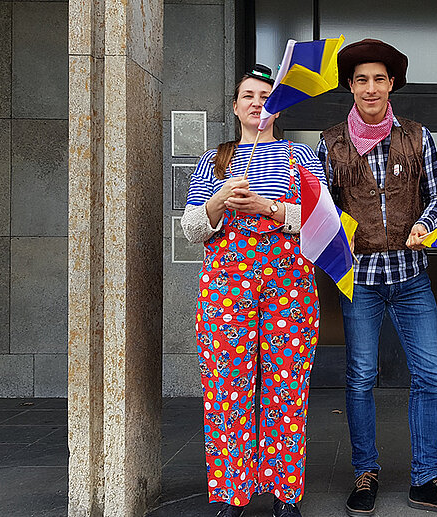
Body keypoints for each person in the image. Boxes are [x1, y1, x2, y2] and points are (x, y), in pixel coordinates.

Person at [315, 39, 437, 517]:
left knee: (431, 372)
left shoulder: (418, 136)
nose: (371, 88)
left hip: (411, 278)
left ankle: (425, 479)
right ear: (351, 86)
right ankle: (365, 472)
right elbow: (322, 208)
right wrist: (338, 231)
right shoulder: (329, 143)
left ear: (391, 85)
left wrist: (426, 224)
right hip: (360, 280)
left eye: (379, 79)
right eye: (361, 79)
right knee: (361, 376)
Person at [182, 64, 326, 517]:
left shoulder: (301, 157)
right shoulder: (214, 160)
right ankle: (232, 494)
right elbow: (191, 229)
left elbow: (324, 222)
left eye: (266, 96)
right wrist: (220, 198)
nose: (257, 103)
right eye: (249, 95)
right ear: (235, 105)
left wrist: (267, 207)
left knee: (287, 387)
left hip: (288, 285)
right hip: (226, 287)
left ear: (278, 107)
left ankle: (286, 494)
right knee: (226, 387)